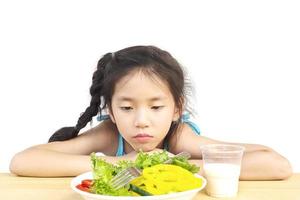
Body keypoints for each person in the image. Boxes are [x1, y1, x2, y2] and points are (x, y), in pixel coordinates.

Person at [10, 45, 292, 180]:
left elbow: (276, 165)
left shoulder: (178, 137)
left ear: (176, 109)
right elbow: (23, 162)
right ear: (109, 109)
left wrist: (175, 165)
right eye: (126, 108)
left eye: (156, 107)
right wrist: (120, 163)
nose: (141, 121)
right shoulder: (110, 135)